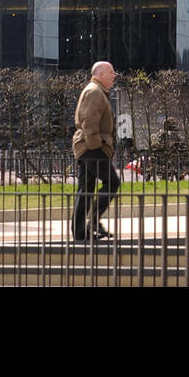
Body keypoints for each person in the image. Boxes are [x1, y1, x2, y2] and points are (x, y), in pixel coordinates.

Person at [70, 61, 120, 242]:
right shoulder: (95, 92)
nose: (114, 75)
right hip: (91, 147)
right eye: (111, 72)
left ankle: (80, 232)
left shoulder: (96, 91)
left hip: (87, 147)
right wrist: (97, 148)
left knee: (86, 189)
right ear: (101, 74)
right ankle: (93, 221)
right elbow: (89, 124)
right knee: (112, 182)